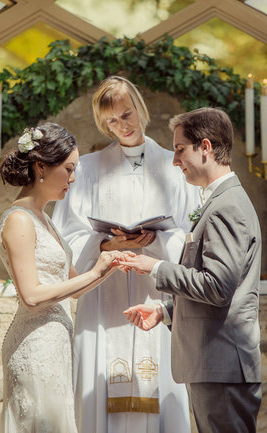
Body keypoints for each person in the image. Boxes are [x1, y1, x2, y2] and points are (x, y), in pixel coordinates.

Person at [51, 76, 199, 433]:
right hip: (104, 293)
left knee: (162, 387)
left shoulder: (173, 168)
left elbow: (191, 232)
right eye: (111, 121)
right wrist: (106, 245)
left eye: (126, 114)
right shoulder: (87, 168)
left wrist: (156, 238)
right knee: (99, 393)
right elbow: (66, 232)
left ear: (140, 110)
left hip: (155, 295)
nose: (122, 126)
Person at [122, 107, 263, 433]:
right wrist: (165, 310)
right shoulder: (220, 201)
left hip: (223, 365)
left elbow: (218, 287)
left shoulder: (226, 206)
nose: (175, 160)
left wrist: (154, 267)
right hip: (216, 365)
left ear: (206, 147)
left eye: (180, 149)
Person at [0, 123, 130, 433]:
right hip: (35, 345)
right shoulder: (19, 219)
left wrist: (108, 263)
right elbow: (31, 296)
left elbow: (74, 288)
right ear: (41, 166)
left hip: (56, 345)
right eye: (68, 169)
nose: (73, 179)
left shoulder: (45, 219)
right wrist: (97, 270)